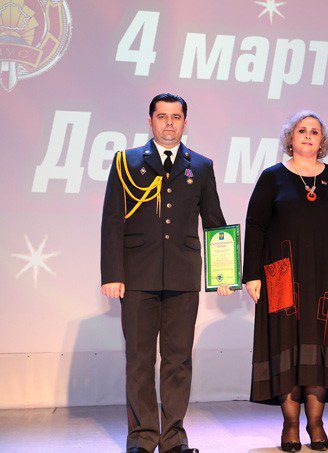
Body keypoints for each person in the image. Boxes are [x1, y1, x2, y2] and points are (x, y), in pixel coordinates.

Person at [101, 93, 231, 453]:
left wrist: (224, 275)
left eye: (176, 117)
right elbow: (112, 221)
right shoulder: (126, 162)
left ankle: (173, 438)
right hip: (136, 277)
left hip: (182, 277)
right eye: (162, 116)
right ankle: (142, 437)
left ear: (185, 122)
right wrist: (112, 273)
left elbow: (214, 221)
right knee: (139, 360)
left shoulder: (201, 166)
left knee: (178, 360)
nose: (169, 123)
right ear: (150, 121)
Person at [243, 110, 328, 451]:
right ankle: (291, 426)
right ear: (290, 138)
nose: (308, 136)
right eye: (301, 130)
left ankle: (316, 424)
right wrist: (252, 274)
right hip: (284, 276)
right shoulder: (272, 177)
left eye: (314, 132)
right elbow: (256, 227)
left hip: (327, 276)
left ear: (322, 141)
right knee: (287, 347)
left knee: (321, 345)